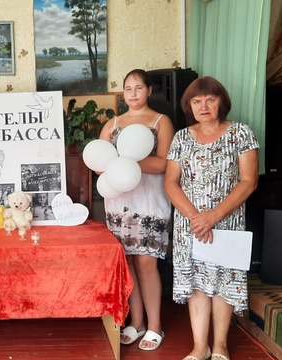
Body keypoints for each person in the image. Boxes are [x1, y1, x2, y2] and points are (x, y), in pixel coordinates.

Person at [164, 76, 259, 360]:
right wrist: (196, 217)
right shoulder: (181, 137)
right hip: (189, 225)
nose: (203, 106)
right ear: (189, 106)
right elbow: (170, 182)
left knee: (223, 283)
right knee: (196, 285)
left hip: (226, 223)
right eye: (196, 101)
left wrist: (213, 216)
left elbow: (249, 181)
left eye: (210, 99)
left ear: (221, 102)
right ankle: (199, 347)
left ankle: (220, 346)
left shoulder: (241, 133)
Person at [99, 69, 174, 350]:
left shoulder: (160, 121)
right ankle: (137, 322)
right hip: (118, 202)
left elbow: (165, 163)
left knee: (146, 262)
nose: (132, 93)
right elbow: (100, 162)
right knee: (128, 264)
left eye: (138, 87)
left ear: (149, 90)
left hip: (149, 201)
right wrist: (116, 165)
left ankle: (156, 326)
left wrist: (128, 162)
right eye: (128, 88)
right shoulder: (112, 123)